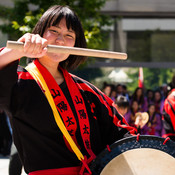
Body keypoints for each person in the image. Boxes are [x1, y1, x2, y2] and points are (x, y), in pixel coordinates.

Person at [0, 5, 137, 175]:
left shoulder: (87, 91)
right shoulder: (18, 83)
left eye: (69, 35)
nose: (60, 41)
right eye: (54, 31)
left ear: (76, 44)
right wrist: (13, 51)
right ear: (40, 33)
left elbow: (122, 135)